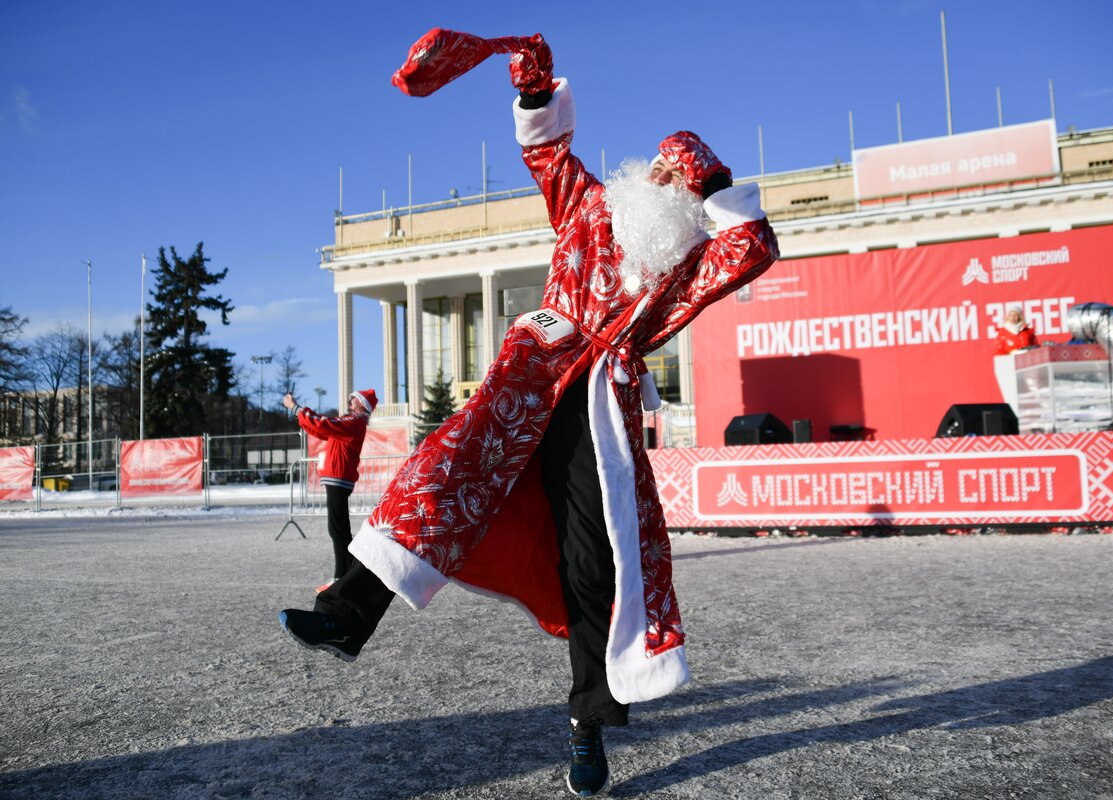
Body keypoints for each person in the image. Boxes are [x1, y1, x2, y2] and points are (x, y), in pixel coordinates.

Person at [279, 33, 779, 797]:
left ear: (691, 198)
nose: (663, 181)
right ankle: (349, 615)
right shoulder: (588, 205)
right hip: (526, 381)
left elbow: (749, 245)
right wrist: (535, 89)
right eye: (661, 168)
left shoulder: (684, 264)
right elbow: (547, 154)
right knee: (438, 476)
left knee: (590, 564)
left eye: (680, 180)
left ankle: (588, 727)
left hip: (595, 410)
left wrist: (715, 184)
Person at [283, 388, 376, 593]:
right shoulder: (353, 422)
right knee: (338, 527)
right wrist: (298, 413)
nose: (349, 401)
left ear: (361, 404)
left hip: (339, 478)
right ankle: (347, 574)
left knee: (337, 528)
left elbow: (326, 424)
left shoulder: (354, 422)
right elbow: (320, 429)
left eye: (354, 399)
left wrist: (296, 408)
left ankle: (342, 576)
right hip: (337, 478)